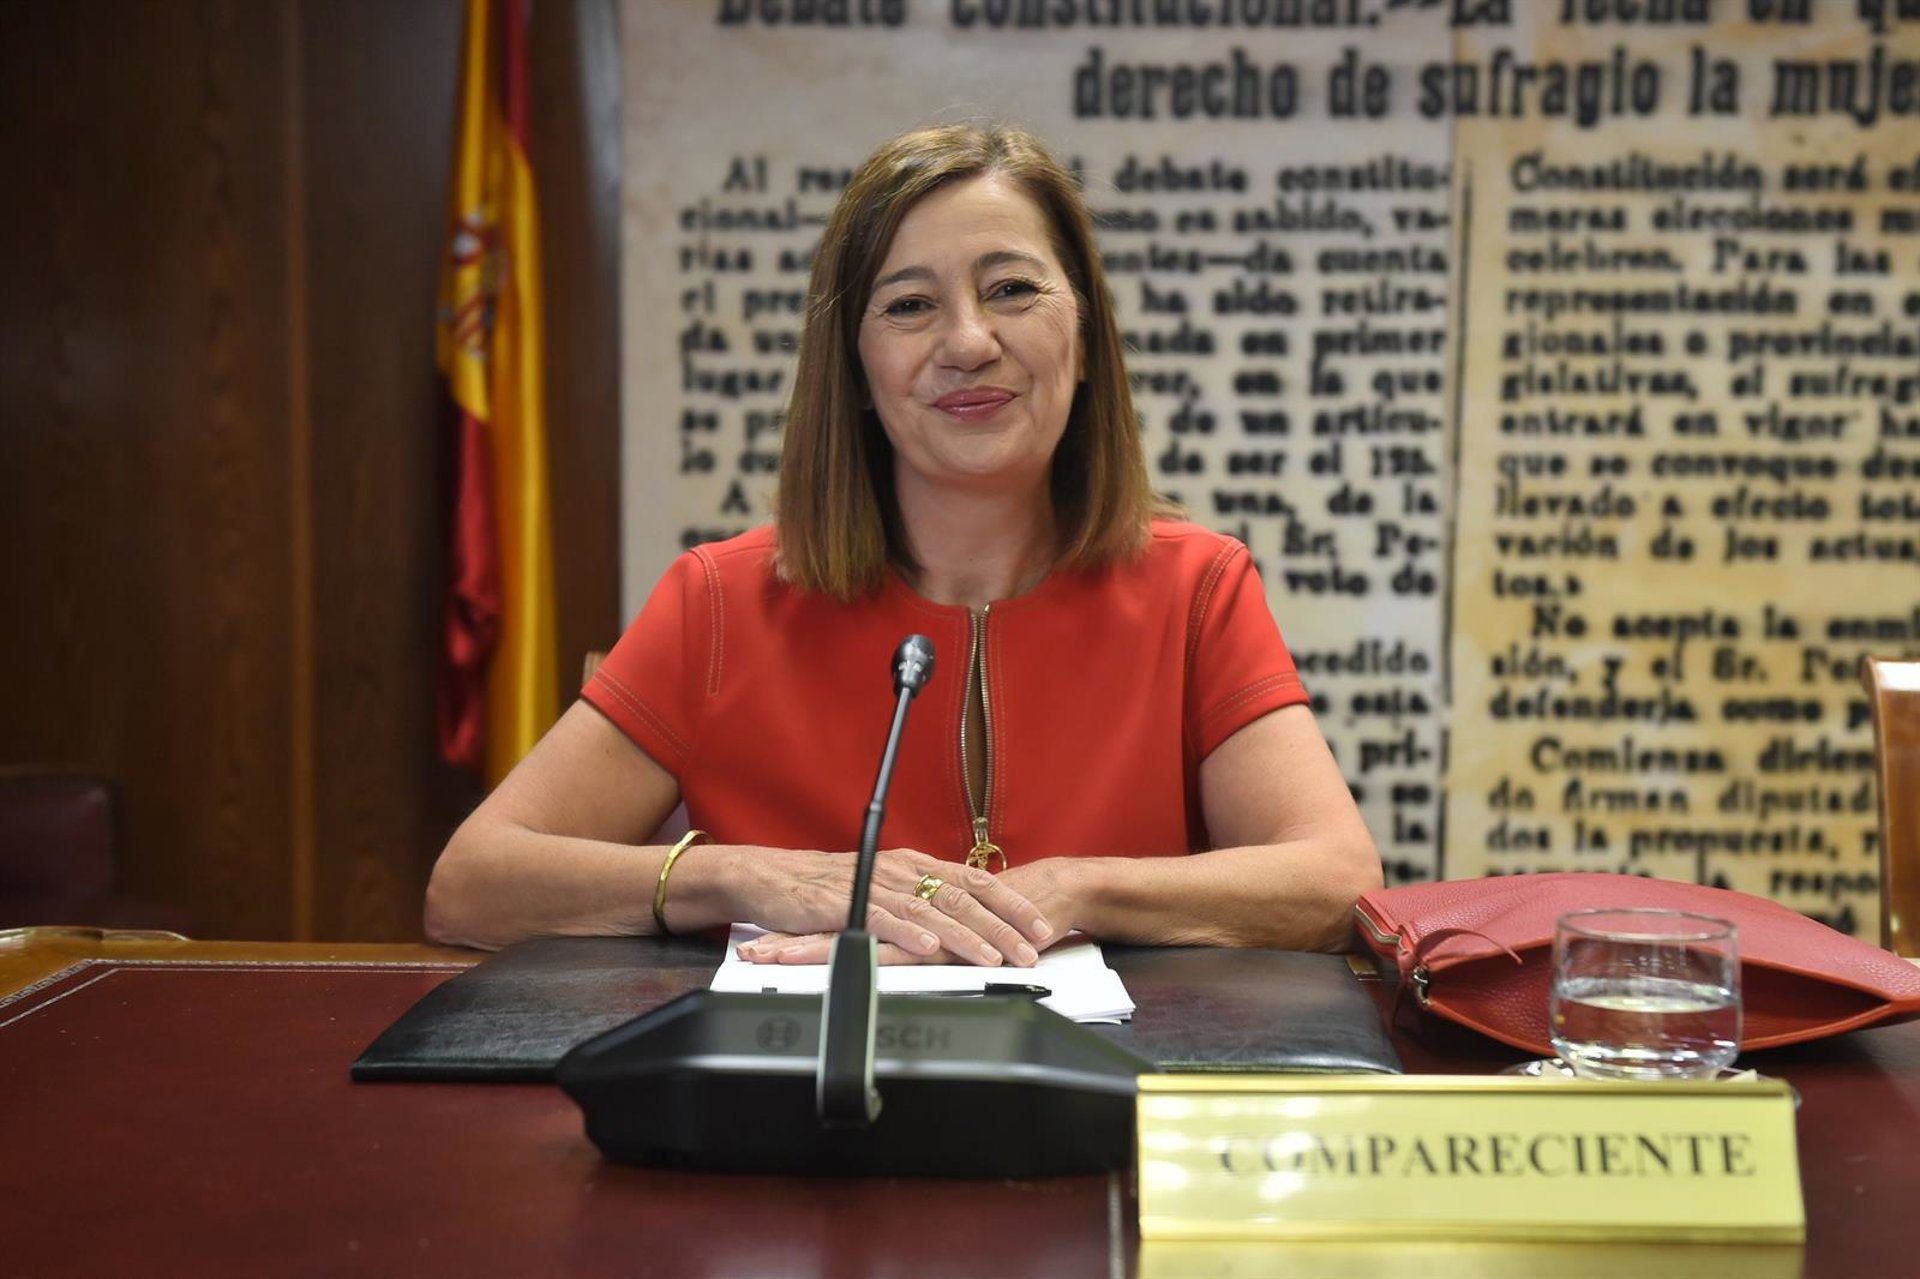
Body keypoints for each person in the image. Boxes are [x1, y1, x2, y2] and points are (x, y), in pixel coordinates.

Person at [424, 124, 1382, 966]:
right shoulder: (716, 600)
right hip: (801, 1102)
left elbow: (1337, 881)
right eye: (910, 305)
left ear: (1087, 338)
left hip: (1103, 1097)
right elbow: (470, 884)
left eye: (1012, 289)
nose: (968, 342)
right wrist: (750, 877)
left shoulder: (1198, 587)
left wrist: (1070, 890)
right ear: (855, 369)